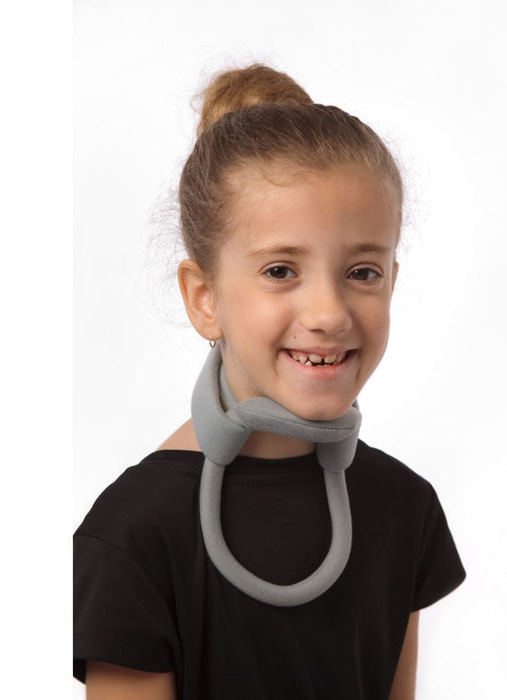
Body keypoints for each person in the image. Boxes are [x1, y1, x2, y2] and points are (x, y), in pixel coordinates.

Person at [73, 64, 466, 700]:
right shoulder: (133, 536)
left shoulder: (404, 509)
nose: (329, 313)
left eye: (362, 272)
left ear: (393, 280)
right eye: (281, 270)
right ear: (204, 298)